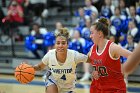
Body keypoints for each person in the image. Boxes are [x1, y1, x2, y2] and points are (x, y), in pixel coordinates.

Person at [33, 28, 89, 93]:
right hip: (53, 81)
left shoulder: (75, 55)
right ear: (55, 45)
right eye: (58, 43)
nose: (60, 45)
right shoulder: (50, 54)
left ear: (68, 45)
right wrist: (30, 68)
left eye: (63, 43)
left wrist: (97, 69)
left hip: (68, 87)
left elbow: (91, 59)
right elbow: (40, 67)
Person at [89, 17, 132, 93]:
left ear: (99, 34)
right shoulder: (92, 48)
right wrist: (93, 72)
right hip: (97, 88)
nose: (90, 36)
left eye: (92, 33)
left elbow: (133, 56)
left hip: (114, 89)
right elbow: (88, 61)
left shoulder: (113, 48)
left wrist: (125, 70)